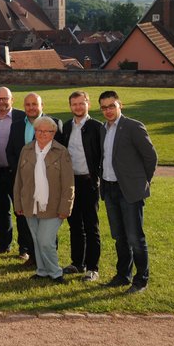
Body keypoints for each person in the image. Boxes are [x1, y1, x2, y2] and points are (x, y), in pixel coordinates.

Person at [99, 90, 157, 294]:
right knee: (119, 236)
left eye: (111, 106)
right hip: (109, 188)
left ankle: (141, 280)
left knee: (135, 237)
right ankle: (123, 275)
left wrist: (141, 182)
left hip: (130, 191)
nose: (108, 110)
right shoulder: (103, 129)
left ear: (119, 105)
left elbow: (150, 157)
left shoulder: (133, 126)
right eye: (104, 107)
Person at [13, 116, 75, 284]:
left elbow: (69, 183)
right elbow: (19, 179)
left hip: (53, 205)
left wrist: (66, 206)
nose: (42, 134)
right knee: (36, 239)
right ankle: (41, 271)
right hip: (30, 203)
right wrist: (18, 203)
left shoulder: (61, 152)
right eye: (39, 130)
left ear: (53, 133)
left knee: (45, 241)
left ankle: (55, 273)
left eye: (47, 131)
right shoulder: (26, 150)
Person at [4, 92, 63, 263]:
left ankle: (49, 258)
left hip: (47, 181)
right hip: (25, 182)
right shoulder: (16, 126)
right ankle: (32, 254)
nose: (31, 108)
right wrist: (23, 173)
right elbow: (10, 151)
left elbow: (58, 154)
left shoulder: (54, 124)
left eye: (34, 104)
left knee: (47, 220)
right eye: (28, 105)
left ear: (41, 105)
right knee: (26, 219)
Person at [62, 91, 104, 282]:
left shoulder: (96, 127)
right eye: (74, 104)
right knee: (74, 225)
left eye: (81, 103)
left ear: (88, 104)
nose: (78, 107)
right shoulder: (66, 127)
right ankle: (77, 262)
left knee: (91, 225)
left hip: (89, 182)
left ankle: (92, 268)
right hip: (71, 182)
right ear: (70, 106)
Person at [0, 87, 27, 261]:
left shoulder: (21, 117)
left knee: (20, 211)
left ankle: (24, 248)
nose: (1, 102)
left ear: (12, 99)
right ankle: (4, 244)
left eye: (4, 98)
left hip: (16, 171)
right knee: (2, 210)